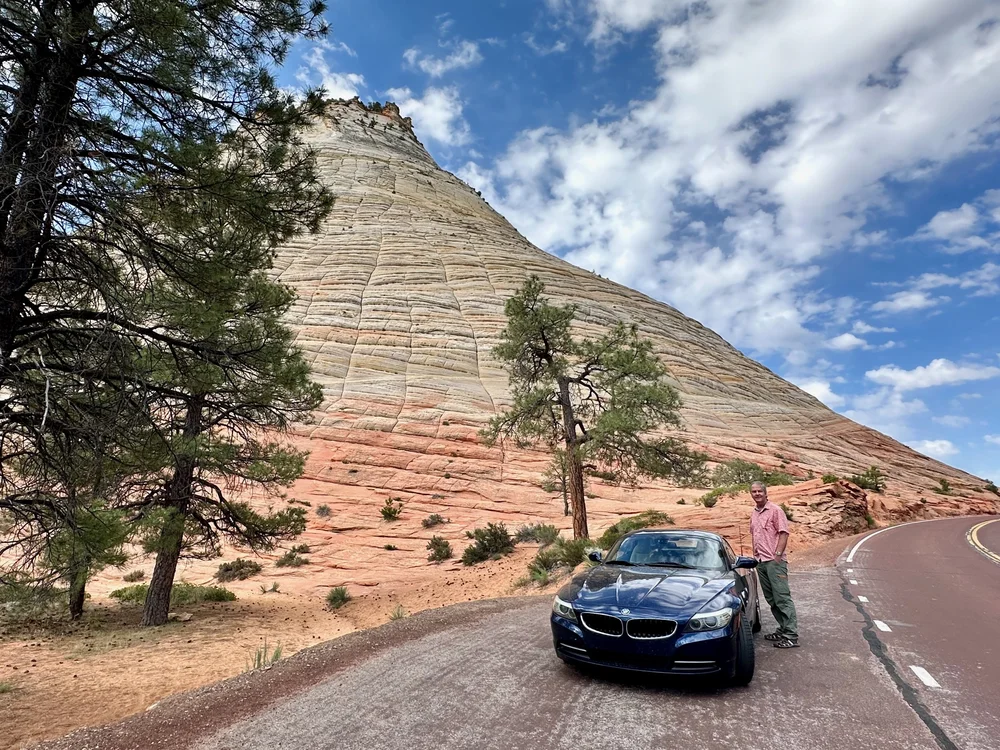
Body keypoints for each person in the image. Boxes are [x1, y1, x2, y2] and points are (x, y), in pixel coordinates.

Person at [749, 481, 799, 648]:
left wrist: (777, 556)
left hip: (774, 561)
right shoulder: (754, 513)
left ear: (765, 493)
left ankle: (791, 635)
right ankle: (782, 629)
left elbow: (784, 533)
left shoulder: (775, 510)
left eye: (759, 491)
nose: (757, 494)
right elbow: (754, 535)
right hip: (761, 561)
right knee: (771, 599)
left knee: (782, 598)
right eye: (754, 492)